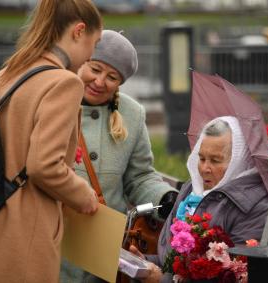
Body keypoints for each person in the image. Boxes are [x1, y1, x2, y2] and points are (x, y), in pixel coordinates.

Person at [0, 1, 102, 282]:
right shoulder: (63, 82)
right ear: (79, 31)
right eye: (95, 43)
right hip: (18, 237)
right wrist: (83, 194)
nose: (91, 54)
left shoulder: (4, 75)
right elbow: (44, 166)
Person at [60, 30, 178, 282]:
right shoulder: (54, 101)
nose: (100, 81)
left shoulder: (132, 114)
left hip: (103, 251)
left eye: (112, 77)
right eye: (95, 69)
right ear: (82, 62)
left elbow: (140, 177)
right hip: (55, 242)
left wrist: (165, 198)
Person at [131, 116, 268, 282]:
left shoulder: (255, 208)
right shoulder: (192, 189)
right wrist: (144, 263)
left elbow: (228, 276)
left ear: (240, 161)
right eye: (201, 158)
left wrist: (160, 280)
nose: (205, 168)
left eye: (215, 160)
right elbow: (171, 261)